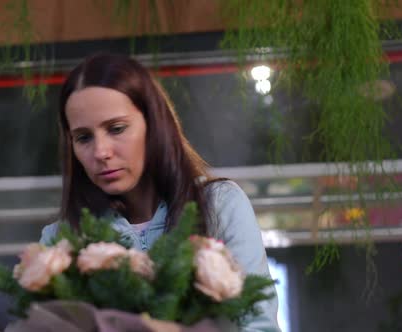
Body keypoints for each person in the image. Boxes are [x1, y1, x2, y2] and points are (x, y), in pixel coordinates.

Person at [40, 53, 280, 331]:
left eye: (116, 128)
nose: (101, 152)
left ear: (154, 124)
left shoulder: (220, 205)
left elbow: (258, 325)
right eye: (83, 137)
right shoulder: (60, 239)